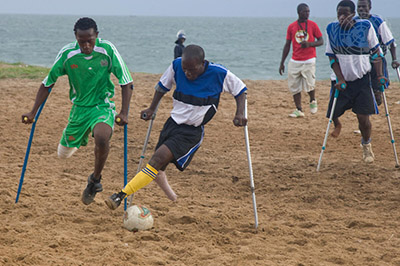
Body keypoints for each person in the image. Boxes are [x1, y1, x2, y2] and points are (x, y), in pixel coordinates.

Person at [105, 44, 248, 210]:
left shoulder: (218, 73)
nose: (187, 73)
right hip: (172, 124)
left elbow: (241, 90)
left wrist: (239, 113)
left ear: (203, 63)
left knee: (156, 160)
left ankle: (120, 195)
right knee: (158, 166)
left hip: (191, 132)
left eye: (192, 70)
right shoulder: (176, 66)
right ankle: (171, 194)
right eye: (185, 69)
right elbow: (162, 87)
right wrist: (151, 108)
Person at [22, 17, 133, 205]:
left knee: (102, 137)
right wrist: (33, 112)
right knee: (62, 154)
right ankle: (78, 137)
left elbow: (126, 82)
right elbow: (48, 83)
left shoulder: (107, 50)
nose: (86, 45)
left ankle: (95, 180)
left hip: (102, 106)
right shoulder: (68, 54)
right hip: (79, 109)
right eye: (82, 41)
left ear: (96, 35)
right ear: (76, 37)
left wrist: (124, 112)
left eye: (90, 40)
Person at [325, 0, 386, 163]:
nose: (341, 17)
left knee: (363, 119)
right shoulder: (331, 29)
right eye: (339, 13)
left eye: (345, 13)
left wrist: (379, 75)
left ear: (353, 15)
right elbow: (331, 58)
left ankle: (366, 145)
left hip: (361, 80)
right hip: (341, 81)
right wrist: (340, 77)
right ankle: (338, 125)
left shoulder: (365, 26)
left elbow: (376, 54)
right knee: (333, 113)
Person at [279, 3, 323, 118]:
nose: (307, 13)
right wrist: (282, 62)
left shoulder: (313, 25)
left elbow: (321, 41)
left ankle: (312, 100)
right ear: (299, 12)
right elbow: (287, 45)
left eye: (308, 11)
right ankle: (299, 109)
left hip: (309, 59)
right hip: (295, 60)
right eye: (305, 11)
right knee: (294, 85)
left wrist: (310, 44)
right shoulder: (292, 27)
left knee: (310, 83)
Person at [355, 0, 399, 105]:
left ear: (369, 7)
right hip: (361, 59)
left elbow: (391, 42)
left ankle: (377, 96)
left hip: (376, 58)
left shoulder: (377, 21)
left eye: (364, 7)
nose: (361, 9)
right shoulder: (354, 21)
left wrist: (394, 59)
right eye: (359, 7)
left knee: (378, 87)